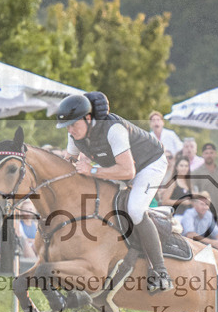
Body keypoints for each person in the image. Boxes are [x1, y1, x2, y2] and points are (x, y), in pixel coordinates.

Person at [56, 92, 172, 291]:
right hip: (122, 167)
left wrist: (92, 170)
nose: (70, 129)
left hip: (149, 164)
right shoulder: (74, 135)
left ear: (89, 118)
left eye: (74, 124)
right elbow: (69, 163)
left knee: (135, 211)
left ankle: (161, 272)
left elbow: (128, 171)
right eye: (67, 125)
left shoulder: (113, 130)